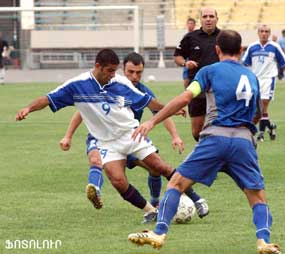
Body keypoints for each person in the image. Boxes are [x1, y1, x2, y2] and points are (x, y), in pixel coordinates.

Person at [128, 30, 281, 254]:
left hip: (215, 138)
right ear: (241, 51)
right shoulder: (251, 77)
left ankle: (159, 232)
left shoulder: (208, 71)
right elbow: (257, 115)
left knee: (176, 184)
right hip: (243, 142)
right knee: (257, 197)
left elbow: (185, 97)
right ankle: (264, 241)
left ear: (217, 49)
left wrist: (152, 122)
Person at [15, 49, 208, 223]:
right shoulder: (77, 85)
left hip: (130, 134)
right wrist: (28, 108)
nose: (113, 75)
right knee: (117, 181)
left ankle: (196, 198)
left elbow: (148, 102)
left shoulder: (120, 83)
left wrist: (171, 110)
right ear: (97, 66)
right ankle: (151, 210)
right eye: (109, 70)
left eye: (115, 70)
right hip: (106, 142)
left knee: (160, 167)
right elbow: (47, 99)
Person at [242, 24, 285, 142]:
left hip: (269, 79)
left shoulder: (274, 46)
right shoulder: (252, 47)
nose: (264, 33)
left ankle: (260, 133)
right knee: (258, 108)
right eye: (262, 31)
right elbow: (244, 63)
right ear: (258, 33)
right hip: (255, 80)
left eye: (266, 31)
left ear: (269, 33)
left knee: (263, 104)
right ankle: (271, 126)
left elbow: (284, 63)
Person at [174, 7, 220, 141]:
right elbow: (177, 56)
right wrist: (185, 63)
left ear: (217, 19)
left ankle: (213, 155)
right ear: (200, 19)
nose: (208, 19)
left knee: (219, 126)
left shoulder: (223, 37)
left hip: (218, 88)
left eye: (211, 16)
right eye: (205, 17)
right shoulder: (190, 37)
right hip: (197, 87)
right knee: (196, 132)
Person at [182, 18, 197, 89]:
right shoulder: (185, 36)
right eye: (189, 23)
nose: (190, 25)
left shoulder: (197, 36)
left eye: (192, 23)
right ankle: (186, 94)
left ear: (194, 25)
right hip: (187, 60)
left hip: (195, 59)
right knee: (186, 79)